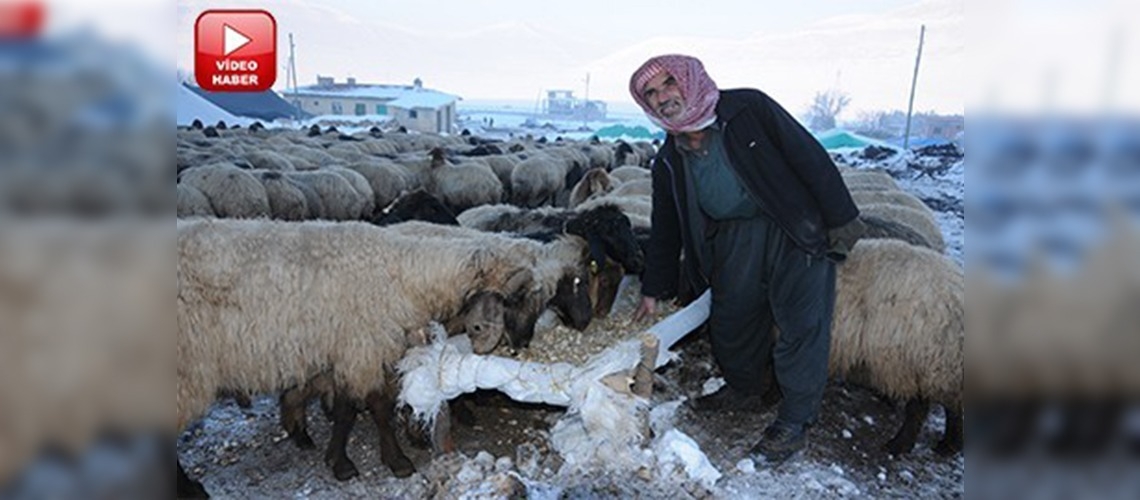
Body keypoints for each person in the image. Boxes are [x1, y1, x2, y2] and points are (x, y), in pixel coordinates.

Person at [628, 54, 865, 464]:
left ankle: (794, 421)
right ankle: (747, 387)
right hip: (734, 236)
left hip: (792, 226)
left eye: (669, 84)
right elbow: (665, 223)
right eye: (651, 93)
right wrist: (653, 288)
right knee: (730, 319)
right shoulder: (668, 156)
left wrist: (841, 220)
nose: (663, 96)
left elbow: (808, 155)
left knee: (801, 324)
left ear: (690, 80)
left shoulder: (747, 109)